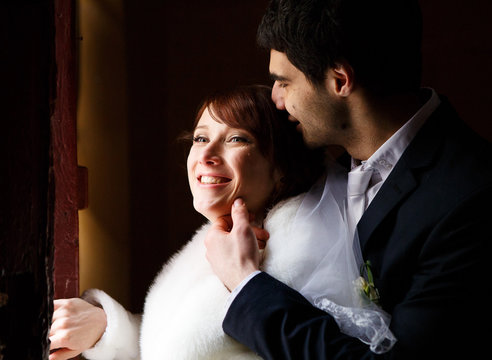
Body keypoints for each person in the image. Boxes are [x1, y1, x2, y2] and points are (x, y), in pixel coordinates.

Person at [204, 1, 492, 359]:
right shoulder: (310, 172)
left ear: (340, 80)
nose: (276, 100)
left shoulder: (472, 200)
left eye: (284, 82)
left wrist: (247, 285)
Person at [49, 85, 396, 360]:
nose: (206, 155)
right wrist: (107, 328)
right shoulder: (221, 240)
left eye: (236, 139)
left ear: (281, 168)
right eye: (200, 138)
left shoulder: (297, 257)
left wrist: (245, 279)